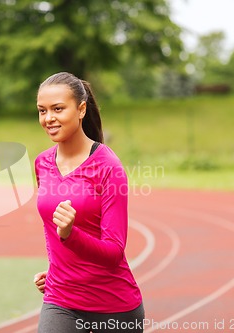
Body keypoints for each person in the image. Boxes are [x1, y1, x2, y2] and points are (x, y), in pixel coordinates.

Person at [33, 72, 144, 333]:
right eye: (42, 110)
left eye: (58, 109)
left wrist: (71, 235)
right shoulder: (42, 163)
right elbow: (53, 233)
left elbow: (114, 252)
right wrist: (58, 269)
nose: (48, 118)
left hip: (113, 307)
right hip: (61, 299)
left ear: (81, 109)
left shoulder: (109, 167)